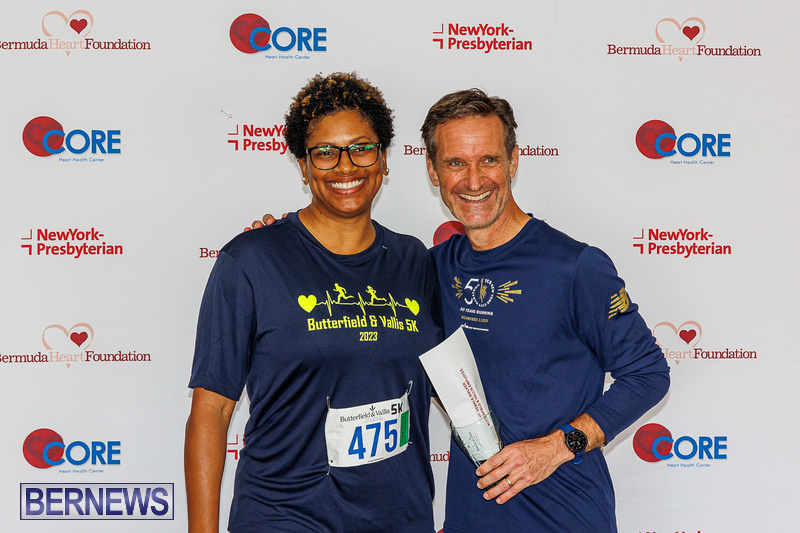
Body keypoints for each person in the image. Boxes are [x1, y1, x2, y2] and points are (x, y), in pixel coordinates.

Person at [185, 72, 442, 533]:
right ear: (304, 167)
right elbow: (212, 410)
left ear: (383, 159)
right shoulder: (251, 261)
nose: (346, 166)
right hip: (286, 517)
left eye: (361, 148)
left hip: (400, 518)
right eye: (325, 152)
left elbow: (453, 385)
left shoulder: (415, 261)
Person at [421, 88, 670, 531]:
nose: (474, 181)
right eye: (456, 162)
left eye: (489, 160)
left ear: (513, 161)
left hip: (565, 518)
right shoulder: (433, 268)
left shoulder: (575, 266)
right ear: (433, 170)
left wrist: (556, 447)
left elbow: (649, 374)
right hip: (470, 518)